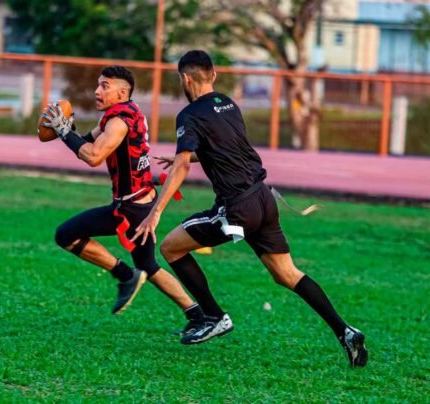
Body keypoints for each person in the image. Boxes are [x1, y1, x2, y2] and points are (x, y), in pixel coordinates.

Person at [133, 51, 368, 367]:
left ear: (184, 79)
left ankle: (214, 316)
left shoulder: (189, 115)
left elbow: (183, 166)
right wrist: (182, 158)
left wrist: (156, 211)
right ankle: (345, 331)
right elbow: (223, 150)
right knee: (287, 274)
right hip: (264, 199)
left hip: (237, 208)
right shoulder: (228, 104)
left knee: (170, 247)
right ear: (214, 75)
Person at [41, 65, 205, 326]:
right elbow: (88, 142)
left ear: (121, 92)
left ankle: (125, 275)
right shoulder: (125, 111)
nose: (97, 91)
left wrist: (63, 131)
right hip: (141, 201)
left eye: (104, 86)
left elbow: (93, 156)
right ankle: (197, 315)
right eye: (98, 84)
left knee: (66, 235)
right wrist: (69, 130)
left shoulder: (118, 121)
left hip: (131, 209)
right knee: (149, 266)